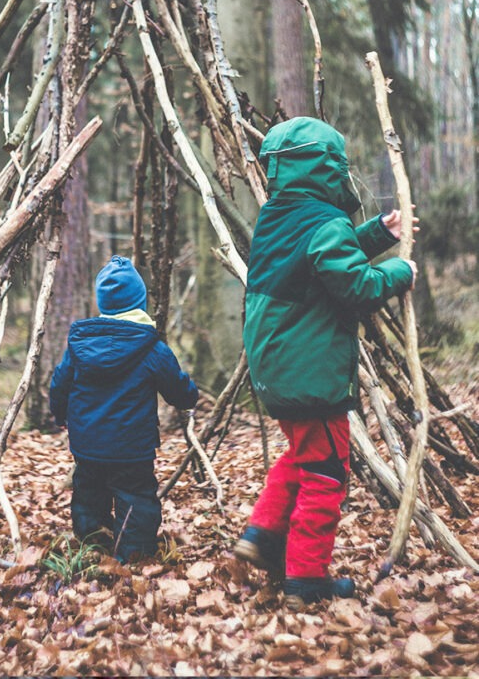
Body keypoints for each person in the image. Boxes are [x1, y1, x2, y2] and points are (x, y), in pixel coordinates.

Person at [234, 116, 417, 610]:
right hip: (309, 372)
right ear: (327, 167)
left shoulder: (277, 218)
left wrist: (378, 233)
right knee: (327, 472)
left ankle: (262, 534)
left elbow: (324, 258)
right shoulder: (324, 222)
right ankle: (306, 578)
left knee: (303, 455)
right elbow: (356, 286)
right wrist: (400, 271)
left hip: (276, 369)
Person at [49, 255, 198, 562]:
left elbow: (59, 384)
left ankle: (92, 547)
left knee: (89, 494)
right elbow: (178, 390)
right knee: (136, 499)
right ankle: (133, 557)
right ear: (140, 302)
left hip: (88, 444)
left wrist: (60, 414)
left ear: (102, 303)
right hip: (132, 448)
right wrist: (189, 396)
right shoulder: (151, 348)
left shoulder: (80, 346)